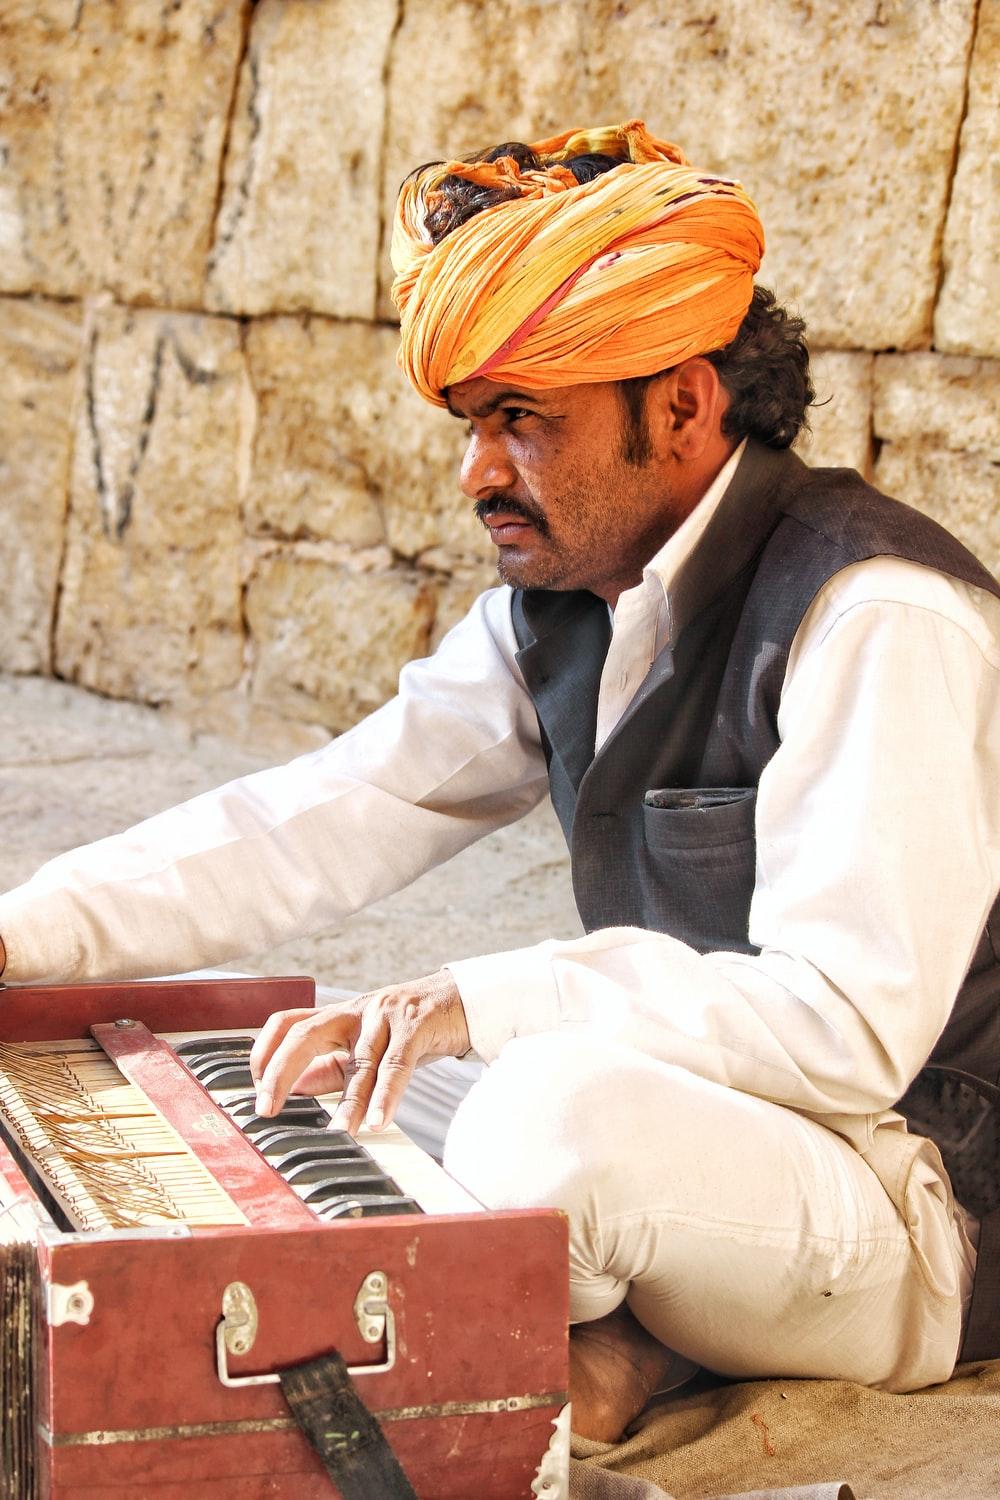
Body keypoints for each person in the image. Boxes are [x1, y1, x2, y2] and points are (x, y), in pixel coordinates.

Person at [1, 120, 998, 1444]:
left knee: (545, 1117)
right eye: (476, 424)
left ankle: (615, 1340)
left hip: (910, 1192)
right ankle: (621, 1333)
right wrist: (23, 935)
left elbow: (846, 1029)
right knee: (297, 1060)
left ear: (684, 405)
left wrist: (490, 998)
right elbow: (323, 815)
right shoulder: (566, 600)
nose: (478, 473)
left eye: (523, 420)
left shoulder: (876, 612)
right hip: (714, 1128)